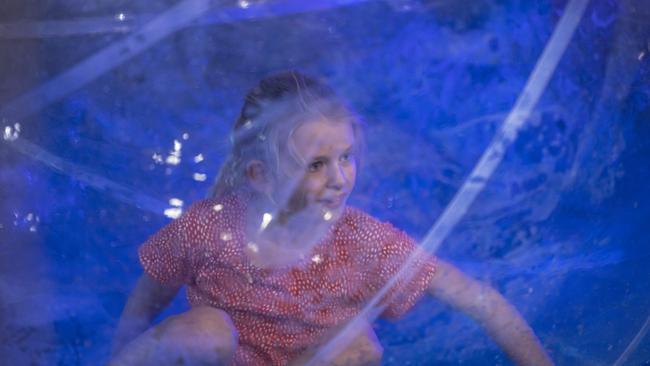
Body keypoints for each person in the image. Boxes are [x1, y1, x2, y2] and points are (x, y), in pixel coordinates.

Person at [110, 71, 553, 366]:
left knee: (356, 343)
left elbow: (482, 302)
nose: (340, 179)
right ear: (259, 175)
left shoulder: (364, 243)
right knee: (203, 330)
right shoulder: (212, 226)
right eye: (317, 165)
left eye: (346, 157)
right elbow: (148, 297)